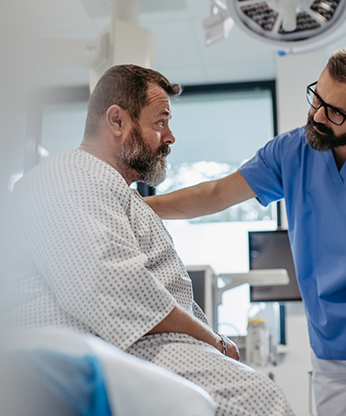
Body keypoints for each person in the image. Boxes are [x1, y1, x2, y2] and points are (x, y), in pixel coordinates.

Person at [143, 45, 346, 416]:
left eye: (335, 112)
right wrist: (137, 205)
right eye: (316, 98)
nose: (317, 115)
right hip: (329, 347)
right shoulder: (291, 150)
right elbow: (218, 192)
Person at [8, 64, 295, 416]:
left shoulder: (115, 192)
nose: (170, 137)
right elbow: (116, 290)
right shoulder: (71, 177)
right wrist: (213, 339)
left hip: (134, 342)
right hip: (105, 347)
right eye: (161, 122)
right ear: (117, 121)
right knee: (256, 402)